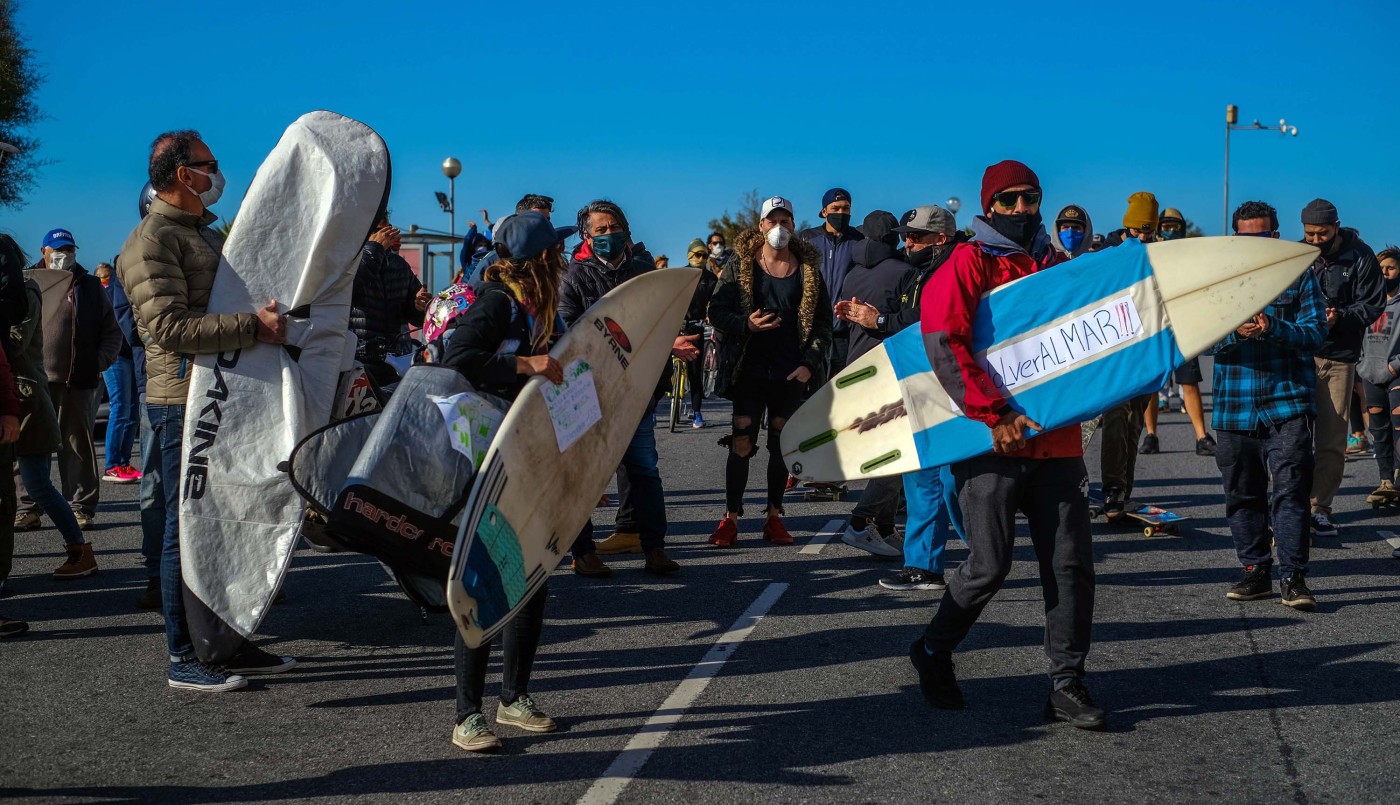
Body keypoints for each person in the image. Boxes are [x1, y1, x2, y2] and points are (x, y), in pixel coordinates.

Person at [909, 161, 1105, 730]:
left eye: (1031, 198)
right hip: (988, 443)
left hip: (1057, 443)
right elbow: (945, 341)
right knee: (989, 565)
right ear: (990, 205)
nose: (1023, 209)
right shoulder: (967, 262)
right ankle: (933, 649)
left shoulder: (1056, 265)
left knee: (1070, 567)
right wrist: (993, 415)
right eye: (1011, 200)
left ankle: (1067, 683)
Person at [118, 129, 294, 691]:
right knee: (181, 530)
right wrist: (252, 328)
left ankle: (225, 642)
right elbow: (168, 329)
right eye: (209, 164)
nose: (218, 172)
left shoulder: (204, 234)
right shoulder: (150, 242)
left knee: (217, 526)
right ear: (181, 175)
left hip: (221, 395)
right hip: (181, 404)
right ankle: (183, 657)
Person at [441, 210, 572, 753]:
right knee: (484, 578)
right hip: (487, 457)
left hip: (533, 455)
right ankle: (467, 714)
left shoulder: (543, 308)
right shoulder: (498, 301)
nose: (563, 260)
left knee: (532, 577)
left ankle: (513, 698)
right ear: (541, 259)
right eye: (555, 253)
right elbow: (459, 358)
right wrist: (528, 365)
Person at [1210, 201, 1327, 610]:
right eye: (1245, 238)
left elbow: (1315, 334)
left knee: (1292, 492)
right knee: (1242, 494)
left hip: (1287, 402)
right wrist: (1234, 334)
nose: (1253, 244)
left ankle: (1293, 577)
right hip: (1234, 407)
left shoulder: (1299, 273)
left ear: (1275, 237)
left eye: (1261, 237)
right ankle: (1254, 570)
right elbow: (1199, 341)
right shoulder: (1217, 280)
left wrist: (1271, 326)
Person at [559, 199, 682, 577]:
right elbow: (567, 330)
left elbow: (661, 319)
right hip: (589, 391)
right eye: (601, 230)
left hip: (637, 391)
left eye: (615, 227)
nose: (609, 234)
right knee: (583, 475)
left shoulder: (643, 270)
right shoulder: (573, 276)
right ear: (586, 235)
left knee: (644, 469)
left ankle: (654, 548)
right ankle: (583, 553)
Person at [707, 196, 832, 547]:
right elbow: (715, 310)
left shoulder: (808, 269)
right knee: (742, 442)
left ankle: (774, 517)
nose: (780, 227)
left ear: (794, 226)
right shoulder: (742, 264)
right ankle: (730, 519)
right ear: (761, 226)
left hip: (790, 372)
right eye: (772, 220)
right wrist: (745, 324)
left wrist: (809, 364)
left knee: (781, 445)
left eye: (786, 220)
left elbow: (822, 324)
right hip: (749, 369)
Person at [2, 238, 99, 581]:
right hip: (17, 399)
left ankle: (80, 550)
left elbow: (15, 342)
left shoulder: (25, 292)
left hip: (28, 402)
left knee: (39, 484)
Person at [13, 230, 122, 532]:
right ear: (43, 251)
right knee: (29, 447)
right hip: (33, 382)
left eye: (69, 249)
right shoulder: (27, 282)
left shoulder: (88, 285)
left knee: (76, 446)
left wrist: (97, 362)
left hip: (76, 382)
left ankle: (80, 506)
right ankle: (27, 508)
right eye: (57, 249)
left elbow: (112, 333)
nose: (63, 255)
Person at [1299, 199, 1384, 539]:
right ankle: (1291, 506)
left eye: (1321, 233)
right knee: (1292, 438)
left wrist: (1341, 317)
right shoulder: (1297, 253)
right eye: (1309, 233)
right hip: (1299, 354)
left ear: (1336, 227)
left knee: (1332, 439)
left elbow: (1374, 303)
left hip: (1339, 357)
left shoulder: (1362, 256)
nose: (1315, 239)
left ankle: (1319, 508)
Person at [1097, 192, 1159, 518]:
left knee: (1135, 420)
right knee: (1116, 417)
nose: (1144, 236)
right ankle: (1111, 489)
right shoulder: (1108, 252)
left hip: (1147, 349)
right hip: (1116, 351)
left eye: (1149, 230)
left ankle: (1125, 490)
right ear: (1128, 225)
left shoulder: (1159, 251)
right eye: (1139, 230)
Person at [1140, 207, 1217, 457]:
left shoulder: (1190, 253)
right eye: (1165, 226)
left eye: (1174, 227)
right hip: (1154, 326)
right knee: (1152, 385)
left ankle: (1201, 436)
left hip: (1183, 326)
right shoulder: (1148, 252)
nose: (1169, 231)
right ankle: (1151, 435)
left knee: (1189, 382)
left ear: (1182, 229)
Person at [351, 214, 431, 389]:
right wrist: (373, 249)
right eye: (382, 226)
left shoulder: (399, 265)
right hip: (357, 360)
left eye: (388, 222)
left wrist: (418, 306)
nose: (389, 230)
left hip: (395, 360)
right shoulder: (350, 260)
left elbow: (417, 317)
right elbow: (351, 288)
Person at [798, 188, 864, 376]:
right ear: (824, 212)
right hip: (813, 331)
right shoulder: (807, 238)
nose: (841, 213)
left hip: (845, 331)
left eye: (846, 208)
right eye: (835, 208)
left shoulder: (859, 241)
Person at [1357, 245, 1400, 506]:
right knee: (1379, 430)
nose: (1384, 274)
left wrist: (1395, 366)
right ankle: (1386, 481)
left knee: (1398, 427)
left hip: (1396, 373)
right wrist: (1361, 365)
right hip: (1370, 373)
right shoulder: (1368, 302)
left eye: (1391, 268)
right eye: (1380, 269)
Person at [94, 262, 142, 484]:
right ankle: (113, 464)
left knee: (132, 412)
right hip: (116, 357)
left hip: (129, 355)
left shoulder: (122, 285)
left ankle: (122, 463)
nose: (105, 280)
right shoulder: (113, 289)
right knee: (121, 408)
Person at [682, 239, 720, 429]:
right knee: (659, 368)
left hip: (697, 329)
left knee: (695, 372)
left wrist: (710, 315)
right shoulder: (679, 275)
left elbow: (715, 303)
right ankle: (653, 410)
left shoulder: (711, 279)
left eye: (705, 255)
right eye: (697, 254)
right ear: (689, 255)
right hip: (676, 328)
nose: (701, 258)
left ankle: (697, 412)